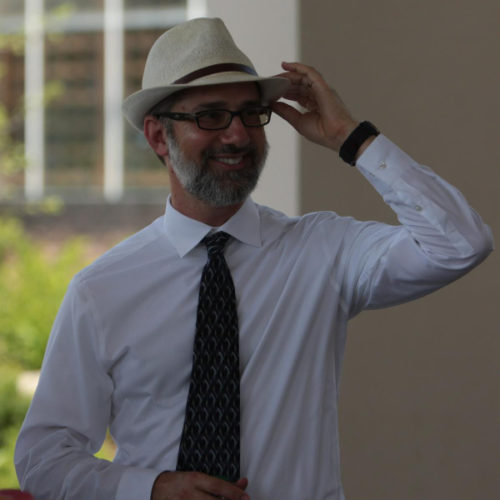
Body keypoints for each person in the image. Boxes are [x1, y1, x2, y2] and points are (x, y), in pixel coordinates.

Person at [15, 17, 493, 500]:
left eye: (250, 114)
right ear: (159, 137)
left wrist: (350, 137)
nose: (238, 136)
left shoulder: (322, 251)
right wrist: (150, 488)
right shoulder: (102, 290)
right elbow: (43, 457)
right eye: (211, 116)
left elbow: (460, 244)